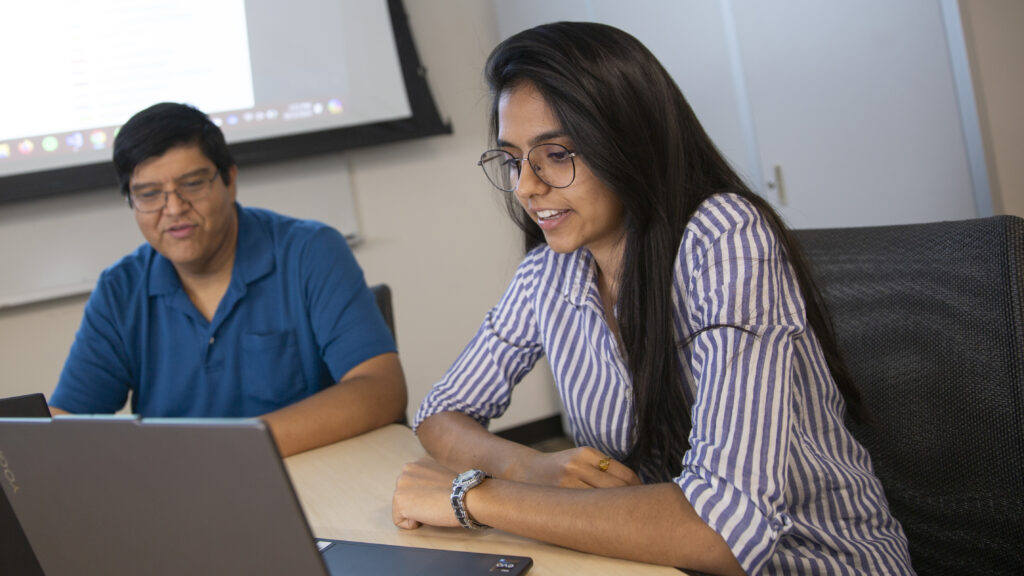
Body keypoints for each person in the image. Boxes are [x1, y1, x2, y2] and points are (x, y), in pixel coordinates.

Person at [392, 22, 914, 575]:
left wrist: (473, 497)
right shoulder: (551, 271)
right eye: (514, 159)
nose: (526, 186)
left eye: (557, 153)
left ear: (627, 142)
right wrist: (530, 469)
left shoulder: (725, 238)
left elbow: (722, 532)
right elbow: (440, 414)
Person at [49, 102, 406, 457]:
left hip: (312, 478)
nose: (173, 209)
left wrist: (229, 450)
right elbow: (65, 425)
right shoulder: (119, 291)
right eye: (149, 194)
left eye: (192, 184)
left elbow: (381, 388)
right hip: (182, 494)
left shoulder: (310, 252)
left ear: (229, 180)